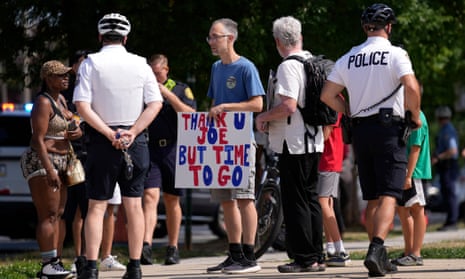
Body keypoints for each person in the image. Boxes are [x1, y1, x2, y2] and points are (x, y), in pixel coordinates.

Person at [320, 3, 422, 277]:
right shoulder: (395, 53)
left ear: (365, 27)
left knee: (373, 197)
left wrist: (350, 111)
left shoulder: (348, 58)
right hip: (389, 129)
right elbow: (411, 86)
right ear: (388, 27)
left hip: (361, 132)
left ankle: (377, 254)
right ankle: (377, 249)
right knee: (390, 192)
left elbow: (327, 96)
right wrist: (415, 115)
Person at [73, 13, 163, 279]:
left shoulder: (91, 63)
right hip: (135, 143)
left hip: (102, 141)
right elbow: (155, 104)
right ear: (126, 38)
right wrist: (133, 132)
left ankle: (91, 267)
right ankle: (135, 267)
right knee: (133, 205)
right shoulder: (141, 64)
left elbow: (82, 105)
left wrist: (108, 133)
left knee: (96, 206)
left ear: (100, 37)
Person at [255, 16, 325, 273]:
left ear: (277, 41)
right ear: (300, 37)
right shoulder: (310, 60)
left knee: (295, 201)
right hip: (314, 140)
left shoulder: (288, 67)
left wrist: (263, 116)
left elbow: (288, 105)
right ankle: (317, 255)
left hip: (293, 142)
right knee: (311, 198)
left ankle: (303, 258)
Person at [205, 18, 264, 274]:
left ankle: (250, 256)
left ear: (230, 38)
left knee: (244, 198)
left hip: (241, 142)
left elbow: (258, 105)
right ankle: (234, 253)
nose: (211, 41)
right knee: (226, 201)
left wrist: (226, 107)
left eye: (214, 36)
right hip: (220, 143)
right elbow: (215, 103)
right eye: (210, 37)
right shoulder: (216, 68)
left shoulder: (246, 68)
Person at [20, 60, 82, 279]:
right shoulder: (43, 102)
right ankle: (47, 264)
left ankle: (55, 262)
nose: (66, 78)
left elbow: (71, 123)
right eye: (60, 75)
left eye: (67, 74)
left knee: (59, 214)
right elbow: (38, 139)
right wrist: (49, 169)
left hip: (63, 160)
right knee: (47, 215)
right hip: (43, 161)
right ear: (48, 78)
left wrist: (77, 131)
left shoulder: (61, 99)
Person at [141, 54, 197, 265]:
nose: (154, 77)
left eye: (157, 73)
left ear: (166, 70)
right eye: (151, 73)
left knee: (172, 199)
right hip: (151, 148)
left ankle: (172, 247)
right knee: (149, 196)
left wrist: (166, 93)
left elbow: (191, 114)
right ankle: (145, 246)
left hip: (174, 148)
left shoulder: (180, 89)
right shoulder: (143, 89)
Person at [58, 49, 91, 277]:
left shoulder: (93, 85)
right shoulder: (64, 90)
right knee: (68, 210)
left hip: (92, 154)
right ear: (73, 65)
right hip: (70, 157)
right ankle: (62, 258)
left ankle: (87, 258)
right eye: (82, 63)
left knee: (90, 209)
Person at [392, 110, 431, 266]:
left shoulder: (418, 117)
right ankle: (408, 252)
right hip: (405, 170)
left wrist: (409, 176)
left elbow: (416, 148)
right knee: (402, 209)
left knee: (417, 208)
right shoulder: (405, 115)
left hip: (415, 171)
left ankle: (416, 253)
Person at [318, 113, 351, 267]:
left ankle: (341, 250)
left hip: (328, 160)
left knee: (322, 202)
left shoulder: (331, 101)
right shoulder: (335, 98)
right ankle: (330, 247)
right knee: (328, 203)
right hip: (331, 160)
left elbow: (326, 133)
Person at [431, 105, 459, 231]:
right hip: (445, 166)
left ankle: (452, 221)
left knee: (450, 194)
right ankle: (449, 221)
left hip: (449, 166)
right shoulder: (444, 129)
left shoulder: (448, 130)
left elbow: (452, 150)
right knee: (446, 194)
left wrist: (438, 157)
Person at [99, 184, 127, 272]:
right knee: (93, 208)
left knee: (110, 208)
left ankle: (106, 258)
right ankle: (83, 259)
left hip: (112, 173)